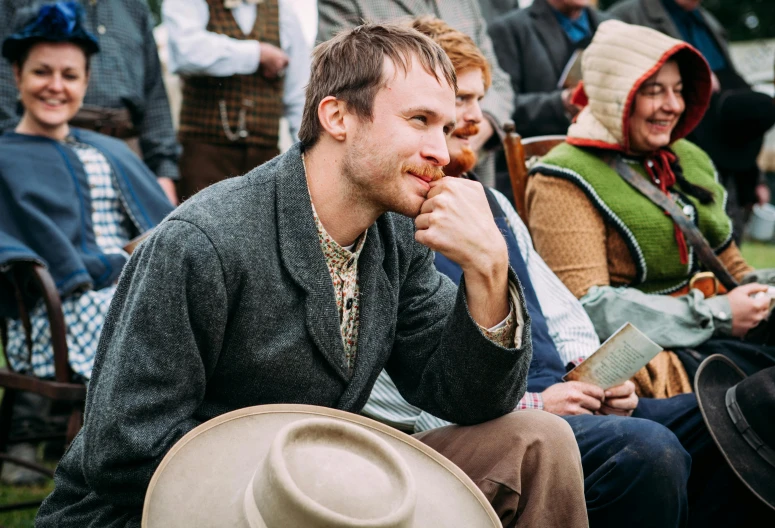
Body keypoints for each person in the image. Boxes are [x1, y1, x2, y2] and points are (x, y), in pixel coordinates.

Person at [36, 22, 588, 528]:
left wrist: (489, 270)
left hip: (330, 478)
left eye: (445, 126)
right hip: (169, 506)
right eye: (419, 120)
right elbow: (123, 448)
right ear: (337, 116)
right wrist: (314, 484)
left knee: (538, 440)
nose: (441, 151)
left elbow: (467, 399)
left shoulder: (394, 235)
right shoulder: (202, 241)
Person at [365, 16, 775, 527]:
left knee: (743, 414)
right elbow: (402, 384)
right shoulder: (385, 216)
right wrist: (538, 401)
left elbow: (562, 309)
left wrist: (596, 375)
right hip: (501, 416)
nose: (472, 120)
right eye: (443, 112)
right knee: (651, 448)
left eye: (472, 103)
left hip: (569, 392)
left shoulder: (491, 200)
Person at [527, 20, 775, 383]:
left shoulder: (688, 157)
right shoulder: (560, 178)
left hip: (717, 338)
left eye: (678, 90)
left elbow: (730, 267)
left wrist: (763, 288)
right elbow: (586, 308)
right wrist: (715, 313)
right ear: (617, 93)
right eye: (654, 91)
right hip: (646, 364)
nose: (673, 105)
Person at [0, 1, 174, 483]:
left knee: (189, 305)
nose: (56, 86)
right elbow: (26, 252)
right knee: (158, 323)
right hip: (58, 312)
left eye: (70, 76)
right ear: (16, 74)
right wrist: (124, 260)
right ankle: (134, 461)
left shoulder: (108, 149)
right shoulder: (7, 159)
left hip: (129, 290)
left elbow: (166, 226)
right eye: (42, 72)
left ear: (85, 81)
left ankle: (181, 447)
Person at [607, 0, 775, 242]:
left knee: (727, 250)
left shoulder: (709, 23)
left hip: (724, 167)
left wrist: (754, 178)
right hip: (666, 162)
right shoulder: (628, 15)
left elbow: (737, 105)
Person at [317, 0, 515, 188]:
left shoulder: (465, 3)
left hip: (472, 171)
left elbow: (497, 80)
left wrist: (471, 129)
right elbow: (343, 81)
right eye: (460, 97)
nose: (476, 116)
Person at [0, 0, 180, 205]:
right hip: (42, 147)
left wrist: (162, 173)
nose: (56, 84)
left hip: (126, 155)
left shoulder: (134, 6)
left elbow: (154, 95)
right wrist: (17, 157)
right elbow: (3, 87)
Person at [162, 0, 310, 201]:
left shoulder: (283, 10)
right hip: (204, 157)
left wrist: (307, 157)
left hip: (266, 159)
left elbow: (298, 95)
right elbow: (185, 51)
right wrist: (257, 53)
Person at [488, 0, 607, 139]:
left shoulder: (612, 25)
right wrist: (562, 104)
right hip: (539, 152)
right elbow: (501, 104)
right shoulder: (508, 29)